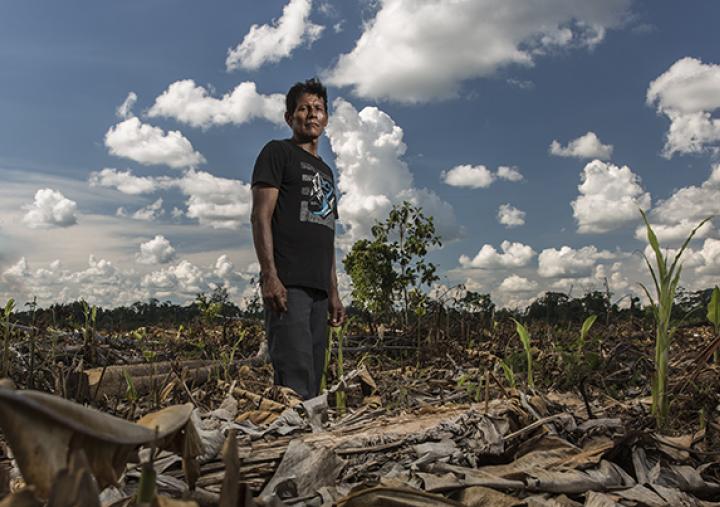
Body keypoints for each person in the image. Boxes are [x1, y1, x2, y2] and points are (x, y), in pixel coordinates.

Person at [250, 78, 344, 400]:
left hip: (319, 290)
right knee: (294, 379)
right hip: (288, 287)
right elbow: (260, 215)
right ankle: (290, 444)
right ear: (290, 117)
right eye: (304, 108)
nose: (312, 114)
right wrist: (270, 276)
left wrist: (334, 292)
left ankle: (310, 444)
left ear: (326, 118)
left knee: (314, 379)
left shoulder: (327, 173)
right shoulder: (278, 153)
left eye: (318, 109)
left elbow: (326, 233)